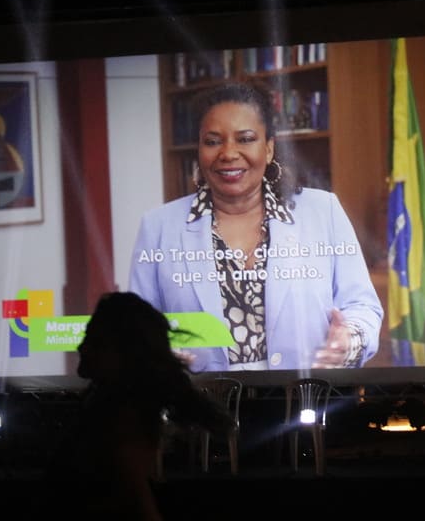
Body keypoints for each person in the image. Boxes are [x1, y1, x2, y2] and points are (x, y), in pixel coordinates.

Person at [129, 82, 383, 372]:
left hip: (308, 391)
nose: (228, 153)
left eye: (245, 139)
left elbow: (363, 307)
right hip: (198, 397)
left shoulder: (323, 211)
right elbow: (135, 326)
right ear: (199, 150)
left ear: (269, 148)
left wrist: (348, 342)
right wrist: (157, 352)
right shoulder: (158, 227)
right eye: (212, 141)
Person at [44, 291, 231, 520]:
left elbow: (136, 497)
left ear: (126, 353)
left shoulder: (122, 419)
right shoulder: (107, 407)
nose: (82, 347)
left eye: (96, 342)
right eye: (87, 337)